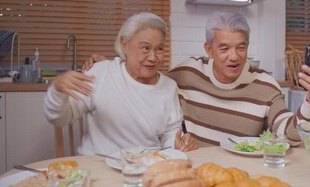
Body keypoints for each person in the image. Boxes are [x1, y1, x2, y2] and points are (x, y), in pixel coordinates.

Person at [84, 11, 310, 147]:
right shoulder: (186, 73)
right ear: (208, 49)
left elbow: (292, 135)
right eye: (223, 48)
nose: (234, 57)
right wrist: (113, 65)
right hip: (192, 170)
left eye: (241, 47)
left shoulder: (265, 85)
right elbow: (147, 78)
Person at [44, 12, 198, 155]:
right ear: (125, 45)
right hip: (99, 165)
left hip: (145, 167)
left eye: (159, 49)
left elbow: (170, 134)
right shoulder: (100, 73)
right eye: (145, 48)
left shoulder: (169, 87)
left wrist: (178, 144)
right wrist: (57, 91)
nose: (153, 57)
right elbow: (59, 119)